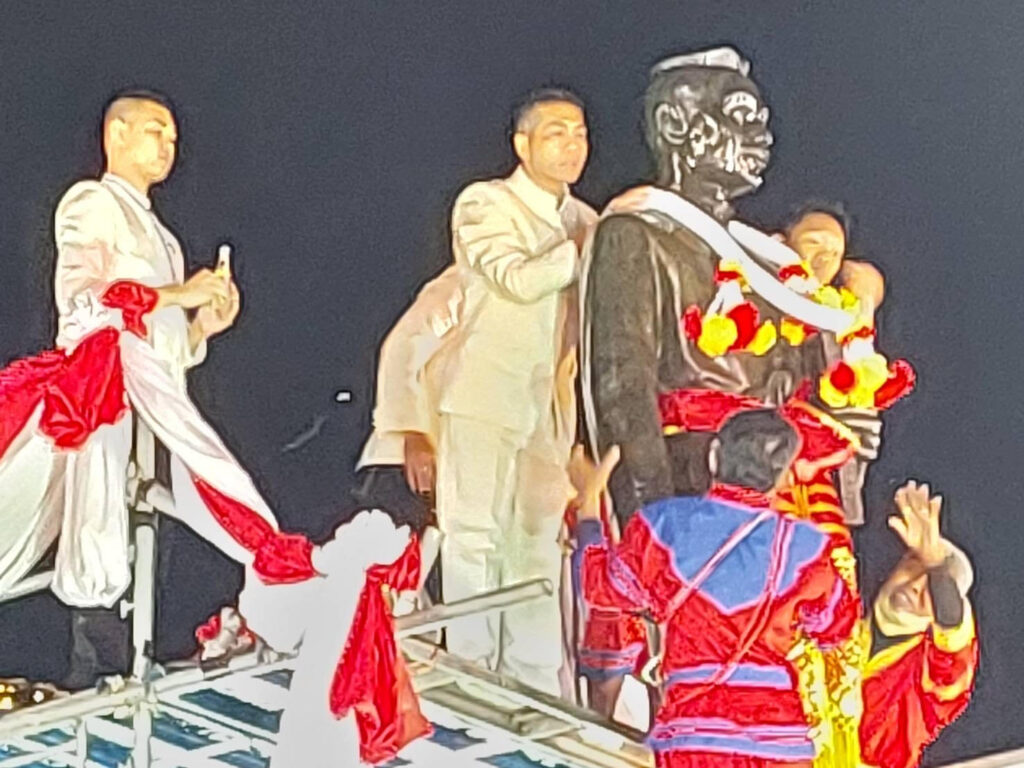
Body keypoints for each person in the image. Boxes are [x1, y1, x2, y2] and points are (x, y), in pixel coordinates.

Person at [0, 90, 430, 763]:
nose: (166, 146)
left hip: (151, 395)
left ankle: (123, 655)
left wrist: (202, 324)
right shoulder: (91, 202)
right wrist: (182, 295)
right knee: (102, 517)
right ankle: (96, 660)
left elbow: (167, 350)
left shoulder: (165, 239)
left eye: (172, 136)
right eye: (153, 131)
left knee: (159, 512)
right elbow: (82, 303)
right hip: (101, 389)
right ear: (116, 135)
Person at [577, 45, 856, 721]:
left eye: (760, 118)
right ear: (674, 125)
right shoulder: (637, 234)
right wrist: (649, 520)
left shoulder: (763, 258)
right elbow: (623, 383)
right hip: (687, 486)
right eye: (739, 116)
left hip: (766, 495)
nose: (762, 134)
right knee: (695, 676)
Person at [571, 409, 861, 768]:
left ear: (713, 456)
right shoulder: (807, 547)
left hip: (695, 737)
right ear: (783, 477)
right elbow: (836, 629)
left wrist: (588, 509)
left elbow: (601, 586)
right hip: (780, 744)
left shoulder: (665, 525)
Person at [435, 87, 596, 694]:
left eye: (580, 134)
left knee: (536, 542)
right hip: (485, 392)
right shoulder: (485, 202)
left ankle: (533, 684)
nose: (572, 145)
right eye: (556, 133)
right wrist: (581, 252)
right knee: (474, 534)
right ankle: (472, 677)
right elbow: (515, 277)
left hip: (548, 406)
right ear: (522, 144)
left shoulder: (587, 221)